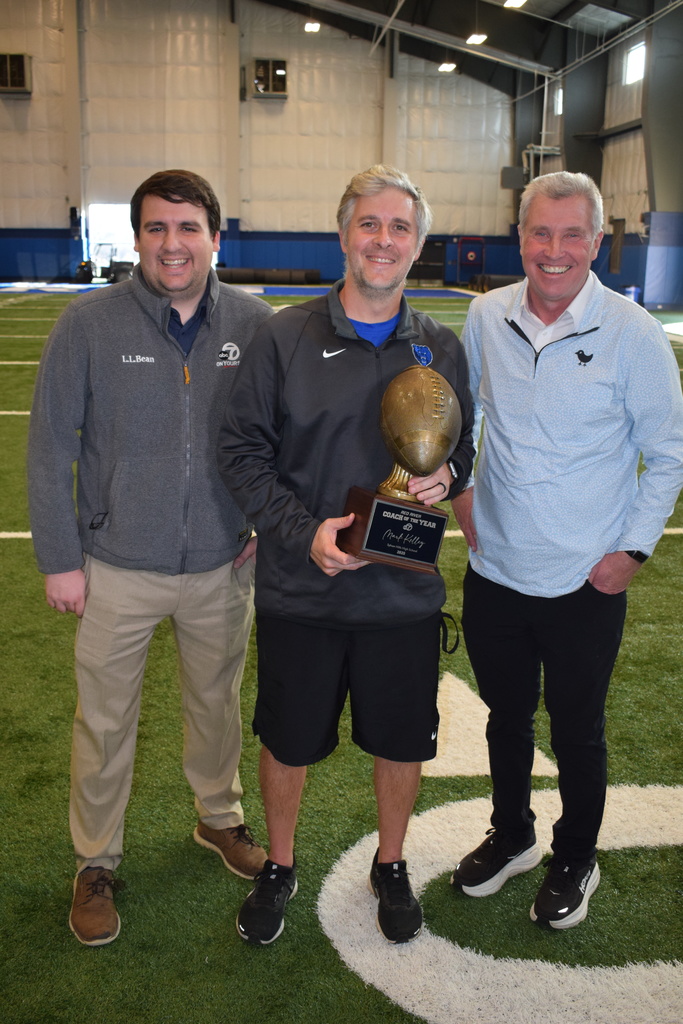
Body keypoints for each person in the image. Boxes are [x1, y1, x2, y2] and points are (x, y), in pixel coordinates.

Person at [217, 165, 474, 946]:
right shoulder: (282, 336)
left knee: (401, 740)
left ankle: (389, 864)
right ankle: (279, 865)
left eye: (400, 228)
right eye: (369, 224)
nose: (383, 240)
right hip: (302, 590)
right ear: (342, 235)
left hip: (401, 595)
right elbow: (240, 452)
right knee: (287, 740)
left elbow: (466, 446)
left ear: (418, 245)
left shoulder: (439, 346)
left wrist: (448, 477)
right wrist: (305, 535)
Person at [27, 169, 273, 946]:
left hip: (221, 565)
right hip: (115, 566)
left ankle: (218, 818)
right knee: (104, 723)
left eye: (188, 227)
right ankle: (95, 860)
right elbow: (49, 446)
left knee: (217, 703)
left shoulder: (255, 324)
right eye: (157, 228)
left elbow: (281, 437)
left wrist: (265, 525)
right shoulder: (89, 324)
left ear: (214, 238)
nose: (173, 243)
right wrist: (60, 559)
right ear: (137, 238)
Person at [450, 171, 683, 929]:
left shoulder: (632, 332)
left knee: (577, 729)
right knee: (505, 717)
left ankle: (575, 853)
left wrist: (632, 553)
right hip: (494, 569)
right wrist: (461, 494)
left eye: (572, 234)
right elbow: (463, 417)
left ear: (597, 241)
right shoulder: (485, 316)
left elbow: (668, 454)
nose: (555, 250)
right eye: (541, 233)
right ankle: (512, 832)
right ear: (520, 238)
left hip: (586, 579)